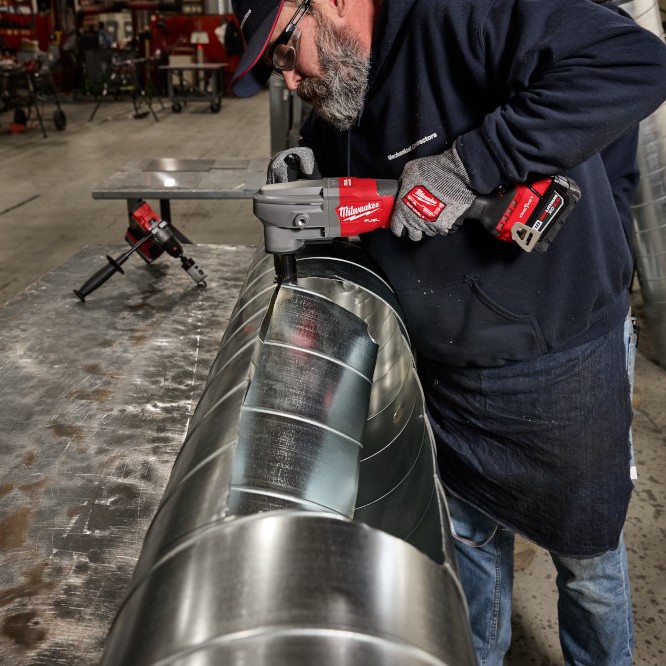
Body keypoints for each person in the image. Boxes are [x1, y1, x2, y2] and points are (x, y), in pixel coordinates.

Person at [230, 0, 666, 663]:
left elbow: (636, 62)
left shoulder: (461, 13)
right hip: (446, 376)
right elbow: (354, 178)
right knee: (467, 549)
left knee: (588, 559)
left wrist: (471, 164)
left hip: (557, 364)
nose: (289, 79)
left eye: (287, 51)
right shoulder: (342, 81)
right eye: (276, 69)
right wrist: (314, 172)